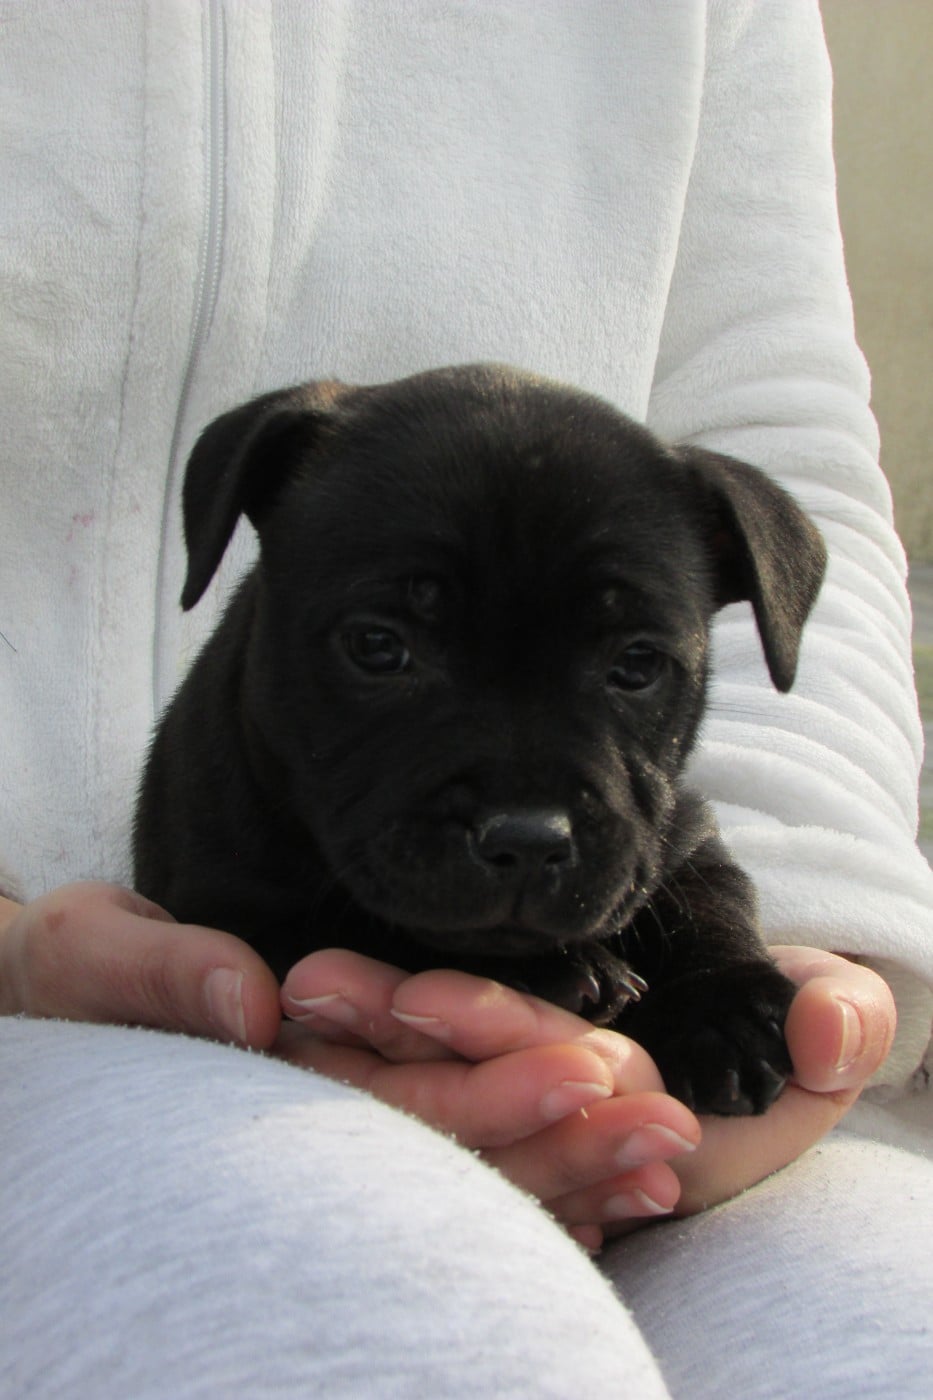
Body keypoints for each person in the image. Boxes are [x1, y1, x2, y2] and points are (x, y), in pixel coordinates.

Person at [2, 2, 931, 1395]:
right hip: (69, 1034)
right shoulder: (230, 812)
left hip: (654, 1121)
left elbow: (777, 421)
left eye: (631, 670)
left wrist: (785, 970)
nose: (523, 811)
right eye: (387, 651)